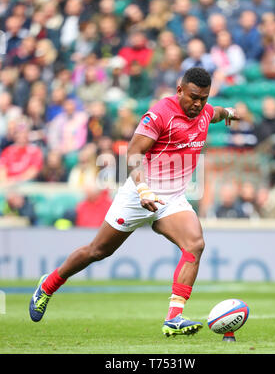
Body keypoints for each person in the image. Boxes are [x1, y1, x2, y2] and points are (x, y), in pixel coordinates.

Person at [29, 67, 240, 336]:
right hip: (139, 193)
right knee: (98, 251)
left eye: (204, 98)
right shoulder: (160, 113)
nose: (198, 104)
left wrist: (230, 112)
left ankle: (173, 318)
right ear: (179, 91)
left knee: (195, 244)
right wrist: (142, 189)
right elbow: (134, 153)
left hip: (173, 199)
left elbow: (218, 112)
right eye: (193, 97)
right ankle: (48, 284)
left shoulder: (206, 112)